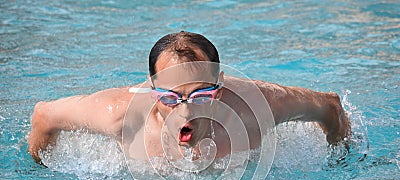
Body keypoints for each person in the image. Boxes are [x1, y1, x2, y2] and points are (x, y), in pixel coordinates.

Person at [28, 31, 350, 164]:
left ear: (219, 88)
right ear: (153, 92)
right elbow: (43, 116)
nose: (185, 111)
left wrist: (343, 161)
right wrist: (39, 173)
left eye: (201, 95)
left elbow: (331, 107)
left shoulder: (256, 106)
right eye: (170, 98)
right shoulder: (121, 116)